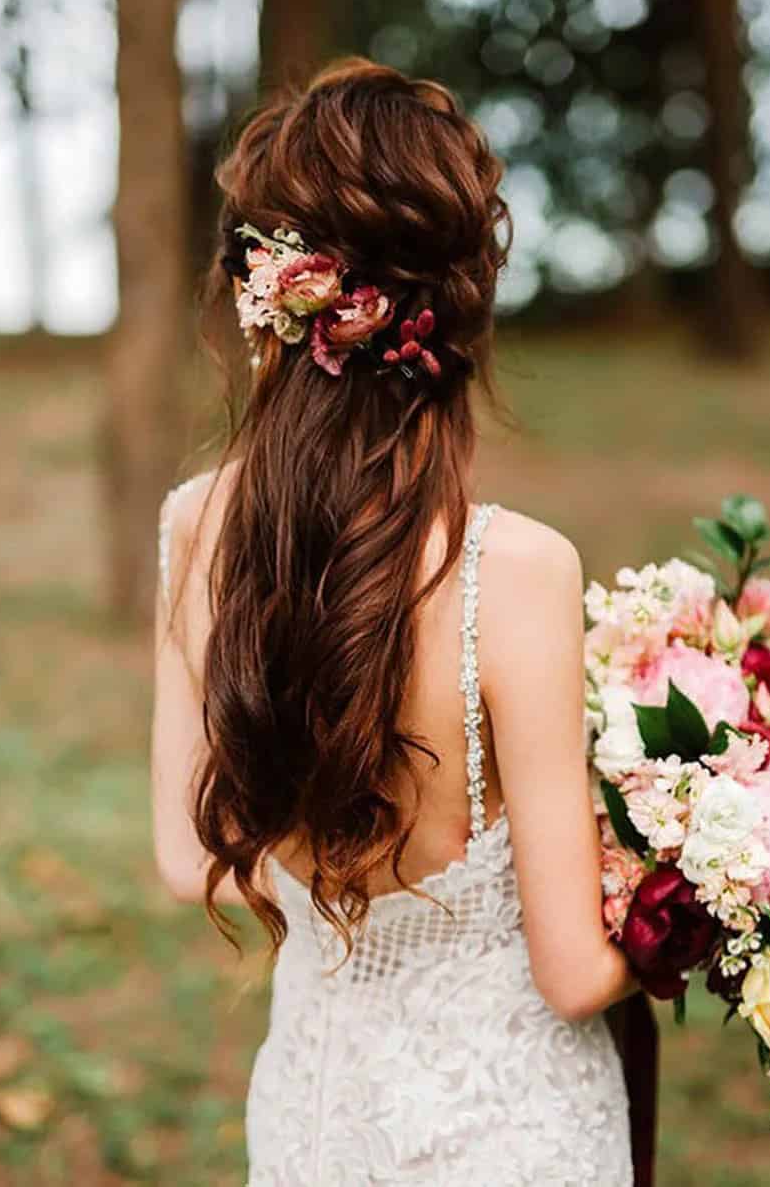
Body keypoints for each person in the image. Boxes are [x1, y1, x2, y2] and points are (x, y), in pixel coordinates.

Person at [151, 58, 636, 1185]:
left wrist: (342, 905)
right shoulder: (517, 570)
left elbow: (189, 858)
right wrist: (707, 903)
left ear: (266, 288)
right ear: (463, 297)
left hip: (315, 1122)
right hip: (512, 1135)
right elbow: (572, 973)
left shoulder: (195, 525)